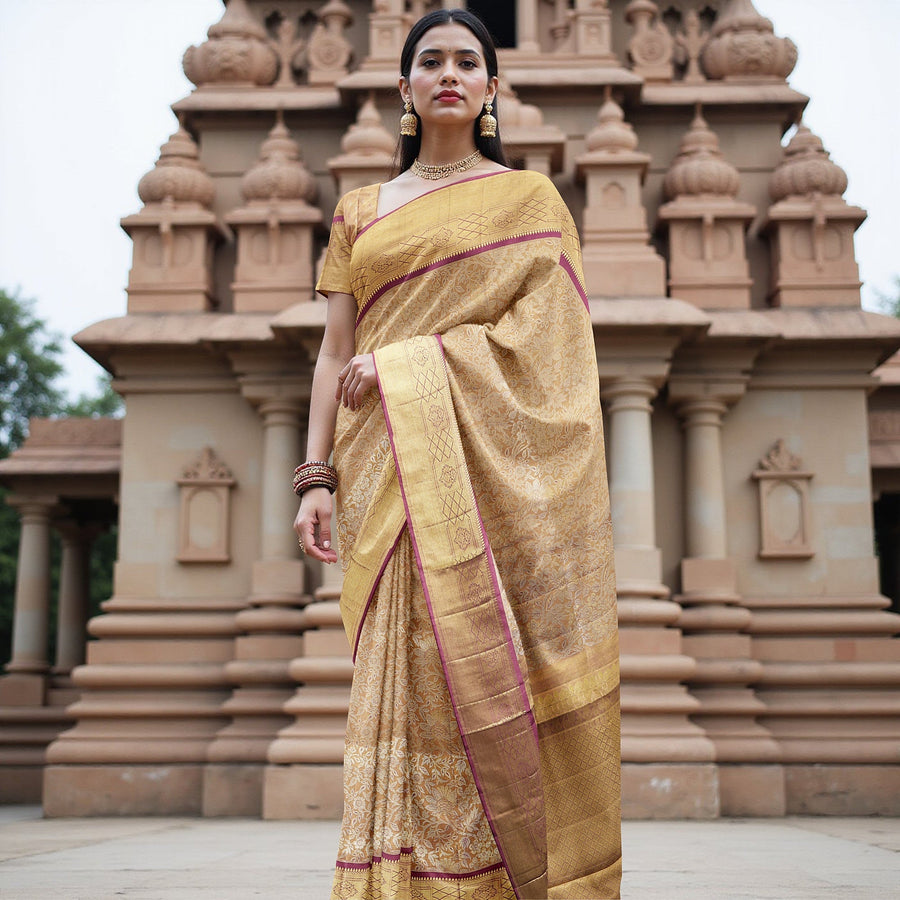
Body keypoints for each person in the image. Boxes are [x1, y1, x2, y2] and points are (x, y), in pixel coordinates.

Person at [293, 8, 621, 899]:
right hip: (381, 467)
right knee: (396, 673)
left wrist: (411, 363)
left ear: (490, 88)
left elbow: (552, 339)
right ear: (403, 89)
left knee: (473, 664)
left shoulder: (529, 201)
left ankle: (487, 879)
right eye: (429, 60)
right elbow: (332, 352)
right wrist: (315, 477)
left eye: (467, 61)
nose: (449, 72)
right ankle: (391, 872)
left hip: (481, 470)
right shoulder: (359, 212)